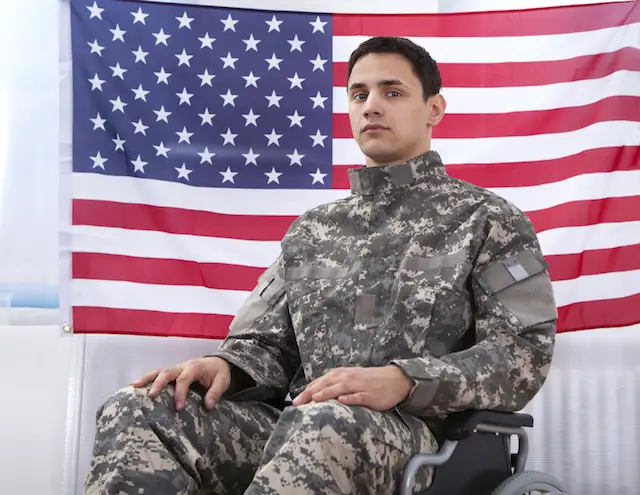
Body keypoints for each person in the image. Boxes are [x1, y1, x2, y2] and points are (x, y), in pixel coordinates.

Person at [84, 36, 557, 495]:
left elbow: (523, 354)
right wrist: (223, 364)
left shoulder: (487, 220)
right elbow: (263, 347)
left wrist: (405, 379)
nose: (371, 105)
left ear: (434, 108)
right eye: (359, 93)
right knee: (139, 407)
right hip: (296, 427)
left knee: (322, 422)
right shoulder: (310, 232)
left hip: (422, 441)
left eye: (392, 92)